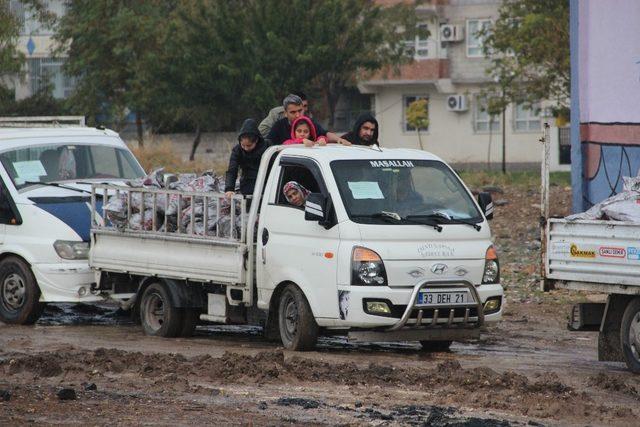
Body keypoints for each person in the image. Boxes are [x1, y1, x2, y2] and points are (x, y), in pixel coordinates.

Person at [266, 94, 351, 146]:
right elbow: (269, 144)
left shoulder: (309, 123)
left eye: (300, 110)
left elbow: (325, 134)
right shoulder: (278, 126)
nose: (298, 115)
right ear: (285, 113)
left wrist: (339, 140)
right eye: (293, 112)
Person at [224, 118, 268, 199]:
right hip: (247, 186)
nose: (246, 148)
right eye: (243, 145)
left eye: (249, 145)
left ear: (256, 140)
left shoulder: (267, 147)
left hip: (266, 186)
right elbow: (232, 170)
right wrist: (229, 188)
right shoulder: (237, 150)